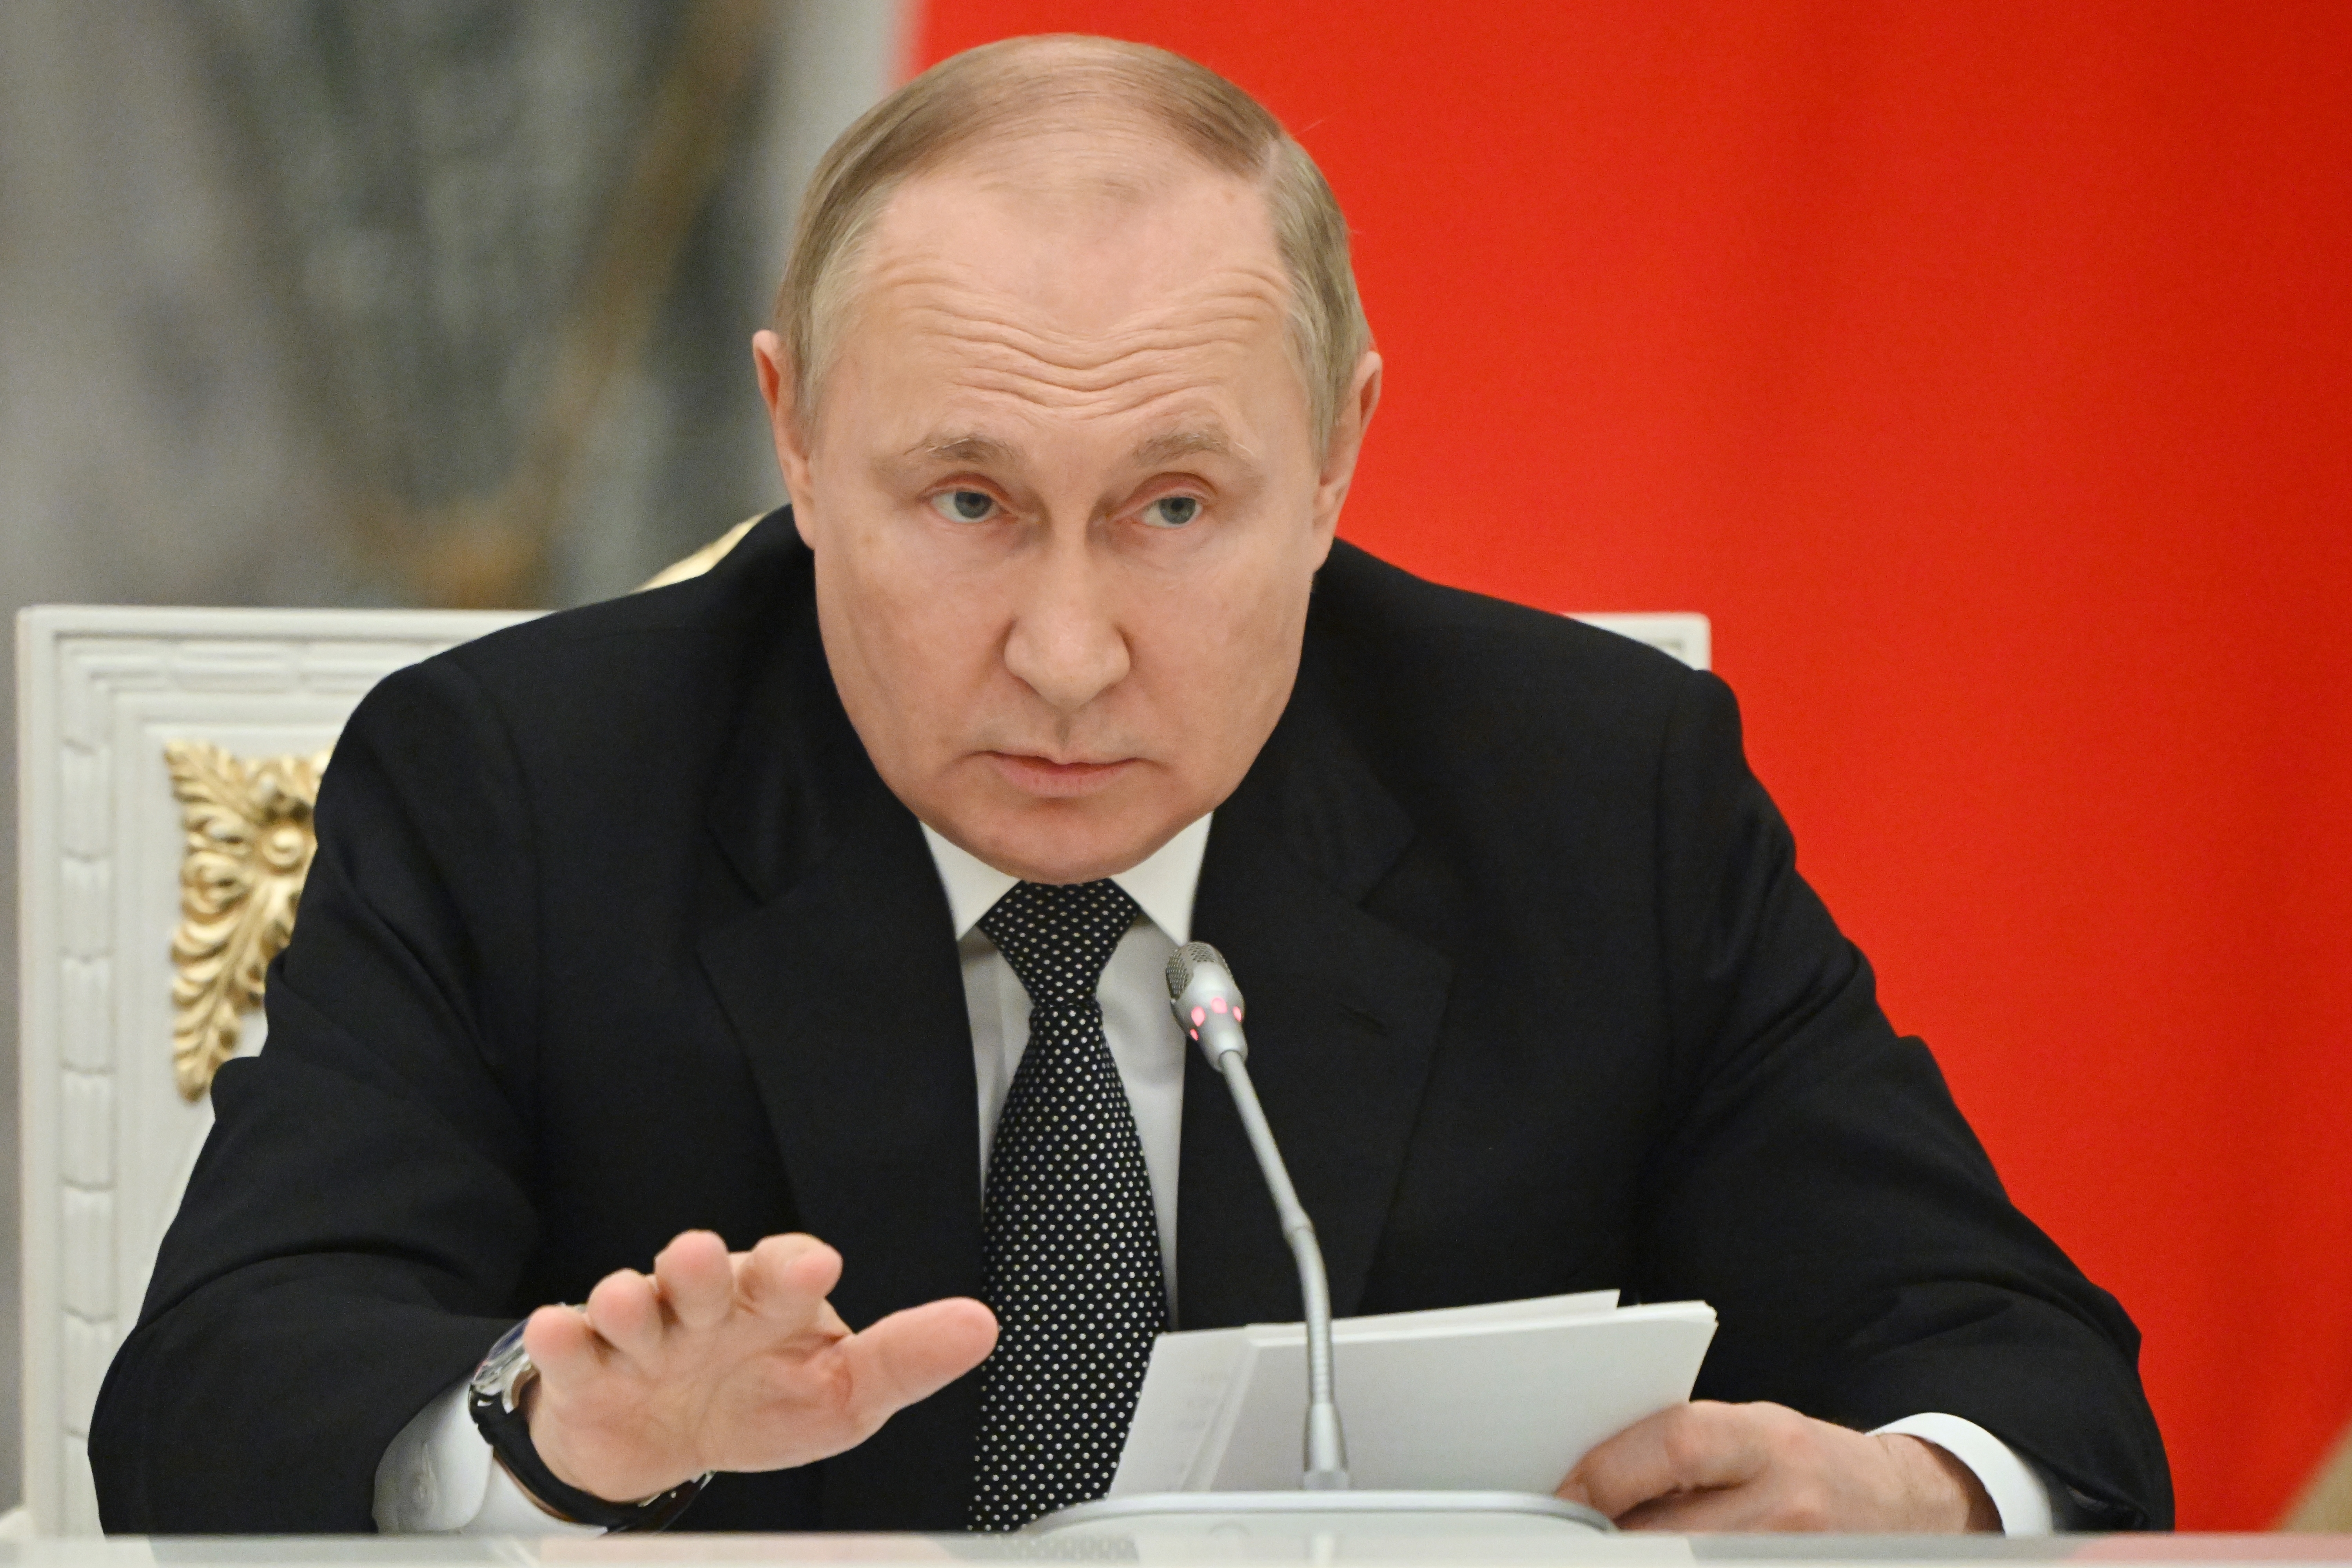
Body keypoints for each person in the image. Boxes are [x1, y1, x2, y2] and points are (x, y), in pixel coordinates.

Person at [90, 35, 2170, 1536]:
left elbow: (2022, 1371)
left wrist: (1912, 1495)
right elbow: (208, 1394)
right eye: (968, 501)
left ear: (1337, 454)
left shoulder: (1592, 793)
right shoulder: (519, 790)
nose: (1070, 655)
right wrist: (549, 1440)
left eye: (1174, 506)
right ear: (795, 435)